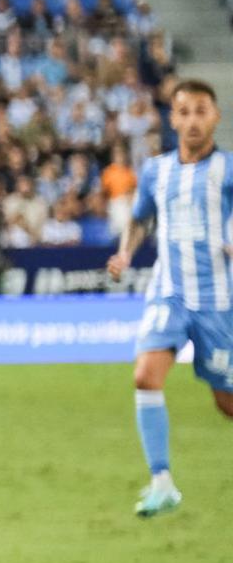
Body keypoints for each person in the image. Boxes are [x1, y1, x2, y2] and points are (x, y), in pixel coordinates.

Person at [107, 79, 233, 518]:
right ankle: (162, 482)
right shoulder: (157, 171)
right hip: (169, 293)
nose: (194, 120)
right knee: (145, 375)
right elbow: (140, 219)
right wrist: (126, 251)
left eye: (202, 110)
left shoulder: (229, 171)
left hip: (219, 301)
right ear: (173, 119)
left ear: (215, 117)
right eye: (185, 111)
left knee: (227, 403)